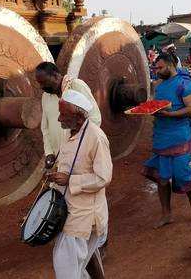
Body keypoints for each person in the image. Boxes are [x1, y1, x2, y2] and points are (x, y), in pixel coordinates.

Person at [48, 90, 112, 279]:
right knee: (76, 267)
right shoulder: (70, 133)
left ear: (78, 116)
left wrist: (70, 180)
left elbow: (103, 178)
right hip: (70, 210)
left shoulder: (96, 137)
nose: (59, 119)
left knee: (66, 269)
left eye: (63, 115)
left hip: (83, 215)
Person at [143, 53, 191, 228]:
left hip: (179, 136)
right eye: (155, 68)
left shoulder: (185, 84)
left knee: (183, 175)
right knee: (162, 178)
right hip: (161, 136)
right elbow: (153, 104)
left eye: (160, 67)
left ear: (171, 64)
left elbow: (190, 110)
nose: (156, 71)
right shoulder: (158, 85)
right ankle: (166, 214)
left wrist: (169, 114)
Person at [36, 62, 102, 166]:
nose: (42, 87)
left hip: (80, 155)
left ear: (56, 76)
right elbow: (45, 127)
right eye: (39, 83)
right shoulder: (46, 96)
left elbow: (95, 118)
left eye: (44, 82)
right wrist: (49, 153)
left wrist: (78, 144)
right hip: (60, 158)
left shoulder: (76, 86)